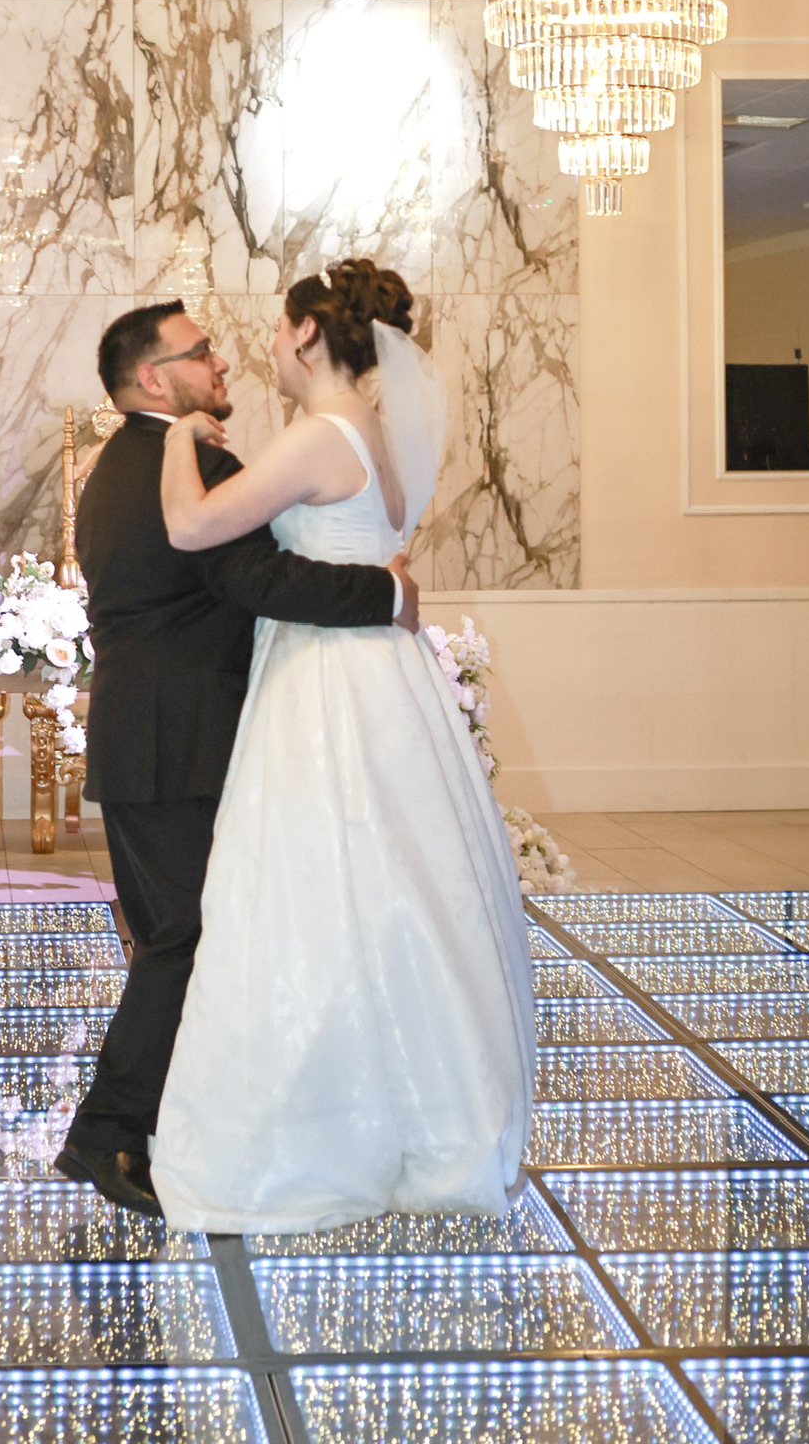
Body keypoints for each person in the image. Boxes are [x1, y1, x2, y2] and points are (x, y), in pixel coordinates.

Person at [150, 258, 536, 1234]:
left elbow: (195, 526)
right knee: (386, 881)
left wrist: (179, 437)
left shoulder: (321, 436)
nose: (271, 348)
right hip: (381, 676)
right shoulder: (372, 433)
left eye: (281, 331)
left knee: (311, 885)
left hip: (323, 680)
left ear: (313, 337)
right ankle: (412, 1108)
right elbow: (383, 550)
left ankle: (318, 1128)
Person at [55, 298, 419, 1216]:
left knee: (177, 936)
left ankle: (169, 1122)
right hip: (181, 742)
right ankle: (107, 1135)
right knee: (187, 938)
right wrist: (386, 594)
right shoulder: (189, 462)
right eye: (199, 353)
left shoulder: (117, 462)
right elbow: (260, 579)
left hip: (143, 741)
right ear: (153, 378)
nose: (220, 366)